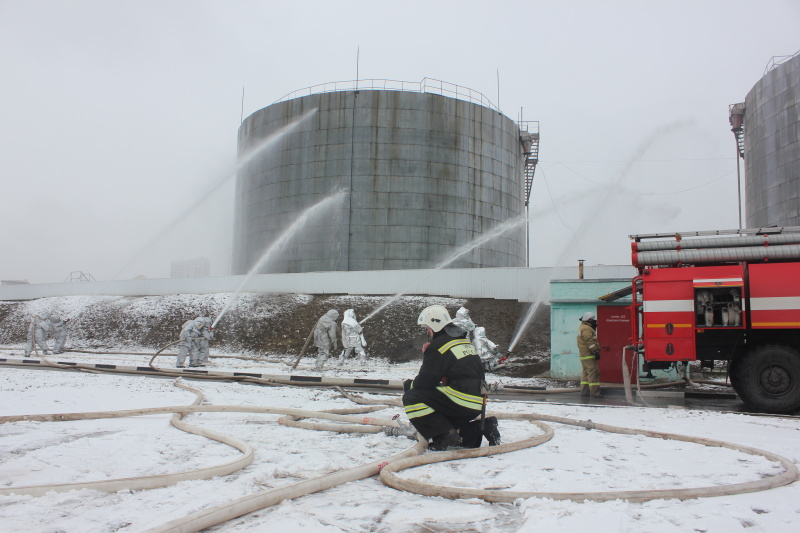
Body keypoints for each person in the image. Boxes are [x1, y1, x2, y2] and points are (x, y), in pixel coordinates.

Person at [401, 305, 500, 451]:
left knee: (411, 397)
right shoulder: (463, 341)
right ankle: (480, 427)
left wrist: (409, 385)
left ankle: (446, 436)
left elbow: (427, 381)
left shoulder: (439, 346)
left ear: (435, 325)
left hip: (462, 399)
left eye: (428, 327)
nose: (427, 331)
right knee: (442, 419)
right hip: (478, 402)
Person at [576, 311, 602, 397]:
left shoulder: (582, 327)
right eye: (593, 319)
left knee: (585, 373)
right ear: (589, 319)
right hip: (589, 354)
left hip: (584, 355)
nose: (594, 321)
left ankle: (584, 392)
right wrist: (595, 351)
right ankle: (595, 393)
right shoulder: (587, 328)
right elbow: (589, 340)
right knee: (593, 372)